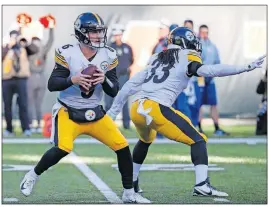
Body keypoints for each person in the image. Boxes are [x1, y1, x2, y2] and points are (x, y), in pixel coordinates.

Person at [107, 27, 265, 196]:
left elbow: (130, 86)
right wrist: (245, 67)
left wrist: (112, 113)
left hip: (137, 108)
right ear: (183, 42)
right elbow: (211, 71)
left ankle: (133, 181)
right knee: (198, 140)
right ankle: (201, 184)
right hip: (155, 108)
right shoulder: (187, 57)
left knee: (145, 140)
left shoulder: (156, 57)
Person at [19, 12, 149, 204]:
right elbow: (52, 84)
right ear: (81, 33)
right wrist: (73, 79)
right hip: (68, 111)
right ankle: (33, 174)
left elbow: (113, 91)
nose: (98, 36)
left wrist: (104, 80)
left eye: (99, 31)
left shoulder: (108, 54)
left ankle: (129, 192)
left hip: (95, 112)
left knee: (122, 146)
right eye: (93, 32)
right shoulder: (68, 52)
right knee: (62, 148)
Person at [2, 30, 36, 137]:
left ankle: (26, 128)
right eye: (13, 37)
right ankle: (9, 129)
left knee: (23, 104)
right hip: (7, 79)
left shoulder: (24, 48)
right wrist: (8, 47)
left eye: (16, 37)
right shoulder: (5, 48)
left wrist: (25, 41)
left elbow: (35, 49)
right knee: (7, 105)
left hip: (21, 79)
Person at [198, 25, 229, 136]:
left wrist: (212, 74)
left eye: (206, 32)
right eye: (202, 32)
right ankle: (199, 127)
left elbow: (217, 62)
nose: (204, 35)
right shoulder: (197, 45)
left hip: (210, 79)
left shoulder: (212, 46)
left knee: (213, 104)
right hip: (200, 79)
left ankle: (217, 128)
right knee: (199, 104)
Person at [27, 22, 54, 133]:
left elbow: (50, 41)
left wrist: (51, 28)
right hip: (31, 77)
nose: (36, 43)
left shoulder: (43, 50)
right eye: (34, 41)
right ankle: (30, 123)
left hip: (41, 77)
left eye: (37, 40)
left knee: (38, 103)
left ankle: (38, 123)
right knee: (30, 102)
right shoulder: (28, 50)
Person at [104, 28, 134, 129]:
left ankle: (126, 125)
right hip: (111, 77)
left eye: (119, 35)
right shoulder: (109, 47)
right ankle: (107, 123)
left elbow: (131, 60)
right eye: (116, 35)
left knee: (124, 100)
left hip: (124, 76)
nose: (118, 37)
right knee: (109, 101)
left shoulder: (127, 47)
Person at [256, 69, 267, 135]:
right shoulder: (265, 80)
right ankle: (261, 131)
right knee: (261, 112)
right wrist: (263, 80)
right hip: (265, 102)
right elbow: (258, 91)